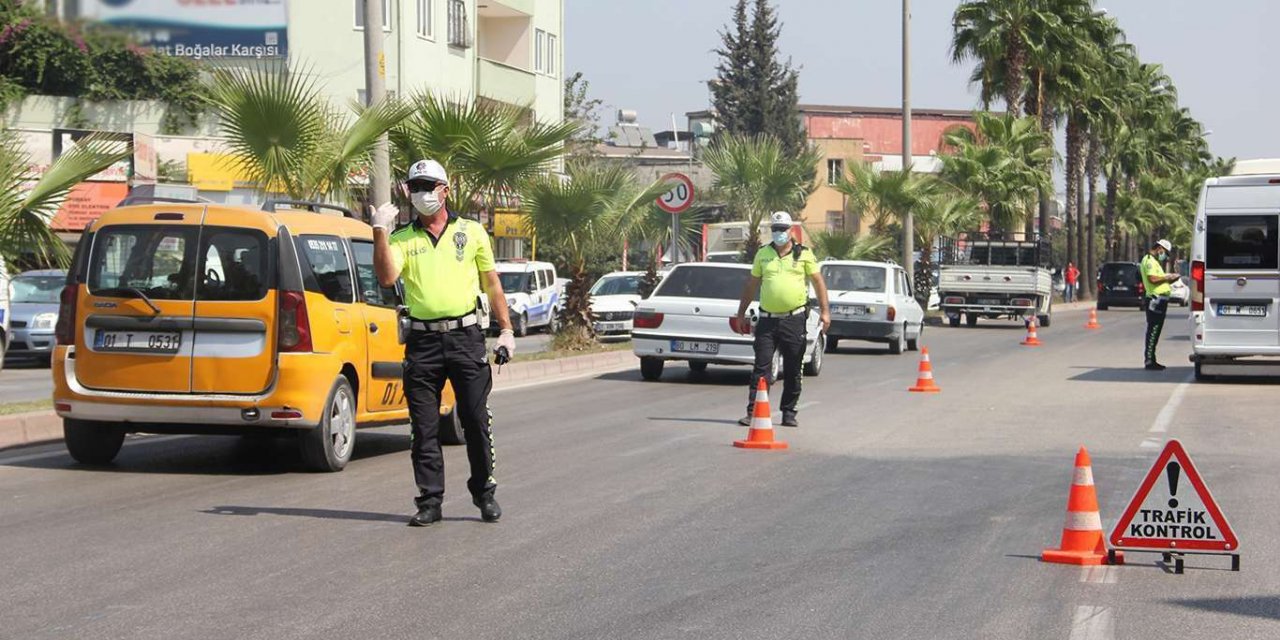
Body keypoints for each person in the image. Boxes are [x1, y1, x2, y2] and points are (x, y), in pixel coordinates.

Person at [372, 159, 516, 527]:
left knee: (474, 419)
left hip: (466, 337)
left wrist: (506, 330)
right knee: (424, 426)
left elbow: (492, 283)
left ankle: (484, 493)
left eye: (428, 186)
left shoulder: (471, 232)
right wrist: (379, 233)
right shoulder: (402, 238)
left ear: (445, 190)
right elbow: (388, 278)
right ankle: (430, 500)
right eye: (414, 187)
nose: (421, 193)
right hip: (422, 343)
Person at [733, 212, 831, 427]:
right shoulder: (763, 254)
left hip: (793, 319)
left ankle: (789, 412)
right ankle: (754, 411)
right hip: (767, 320)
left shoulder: (804, 254)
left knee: (794, 367)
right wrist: (741, 313)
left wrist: (825, 312)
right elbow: (751, 284)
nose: (779, 233)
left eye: (783, 229)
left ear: (791, 230)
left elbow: (818, 282)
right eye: (775, 229)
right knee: (762, 367)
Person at [1139, 239, 1180, 371]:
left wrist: (1170, 279)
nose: (1165, 256)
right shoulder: (1149, 260)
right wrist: (1168, 277)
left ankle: (1152, 359)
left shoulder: (1154, 261)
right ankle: (1150, 360)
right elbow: (1153, 279)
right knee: (1153, 330)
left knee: (1156, 331)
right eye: (1165, 253)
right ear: (1159, 248)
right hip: (1155, 300)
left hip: (1160, 299)